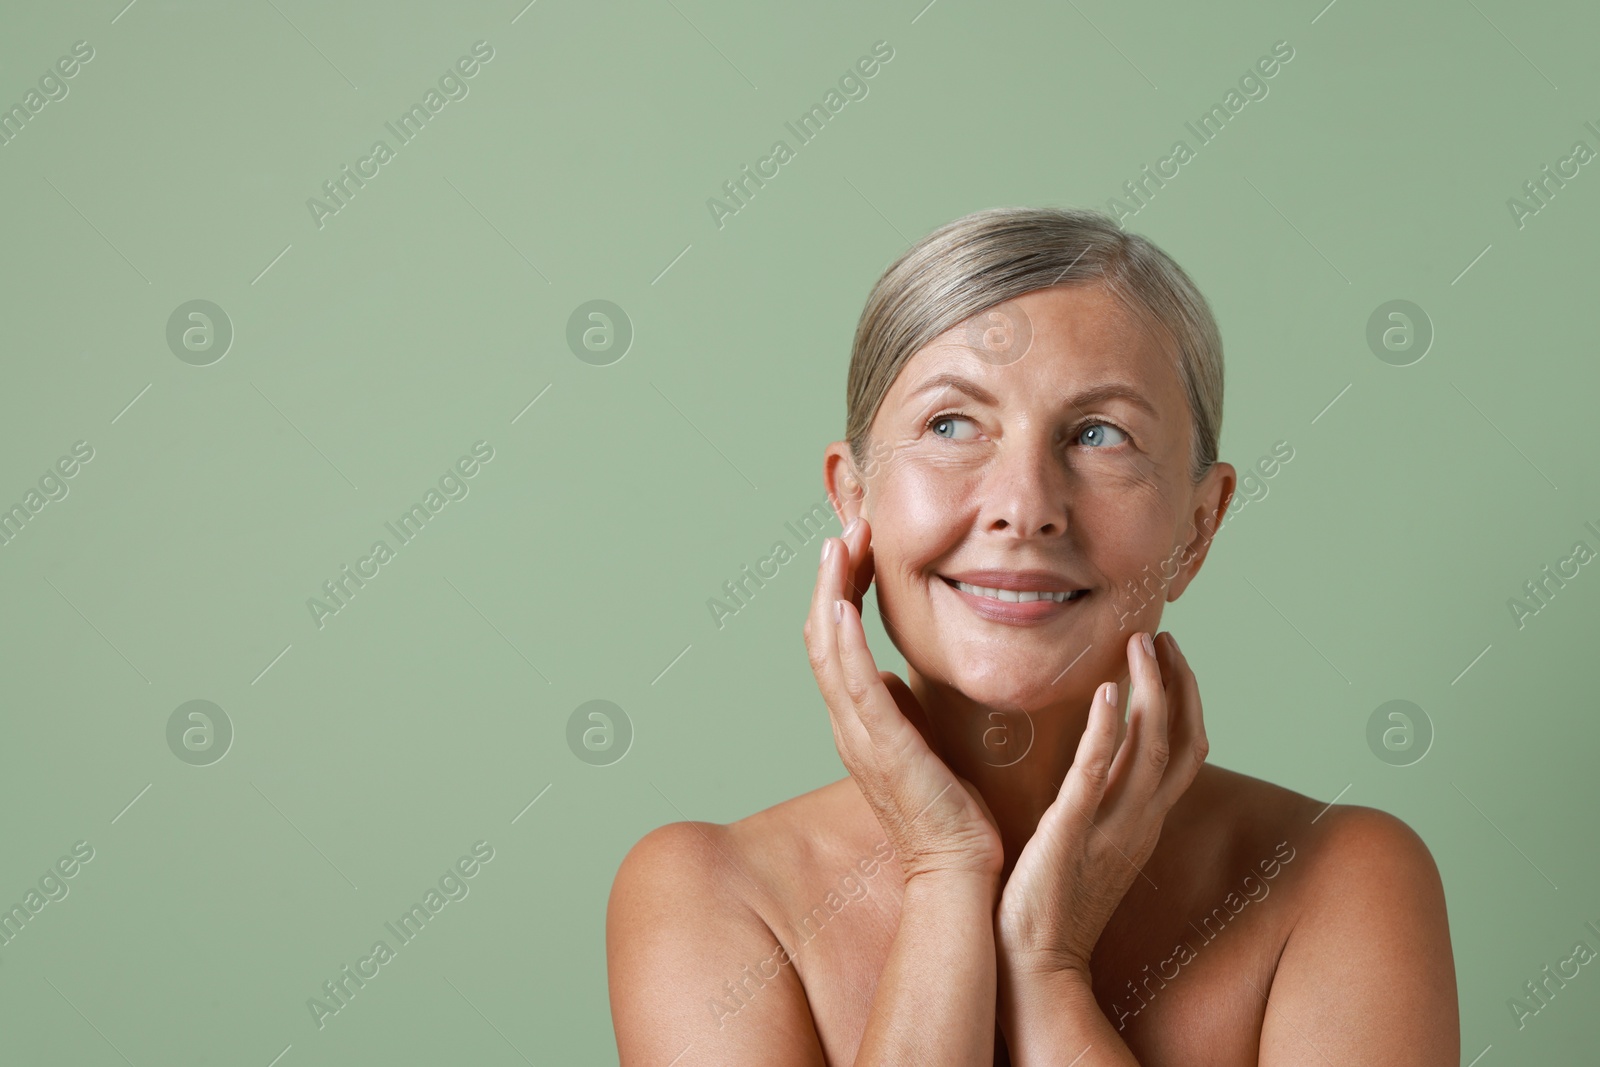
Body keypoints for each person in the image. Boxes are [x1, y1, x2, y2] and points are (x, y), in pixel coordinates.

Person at [606, 206, 1459, 1065]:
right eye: (951, 425)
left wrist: (1046, 970)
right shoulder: (707, 894)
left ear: (1197, 529)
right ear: (855, 498)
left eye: (1099, 435)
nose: (1025, 506)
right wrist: (946, 872)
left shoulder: (1339, 878)